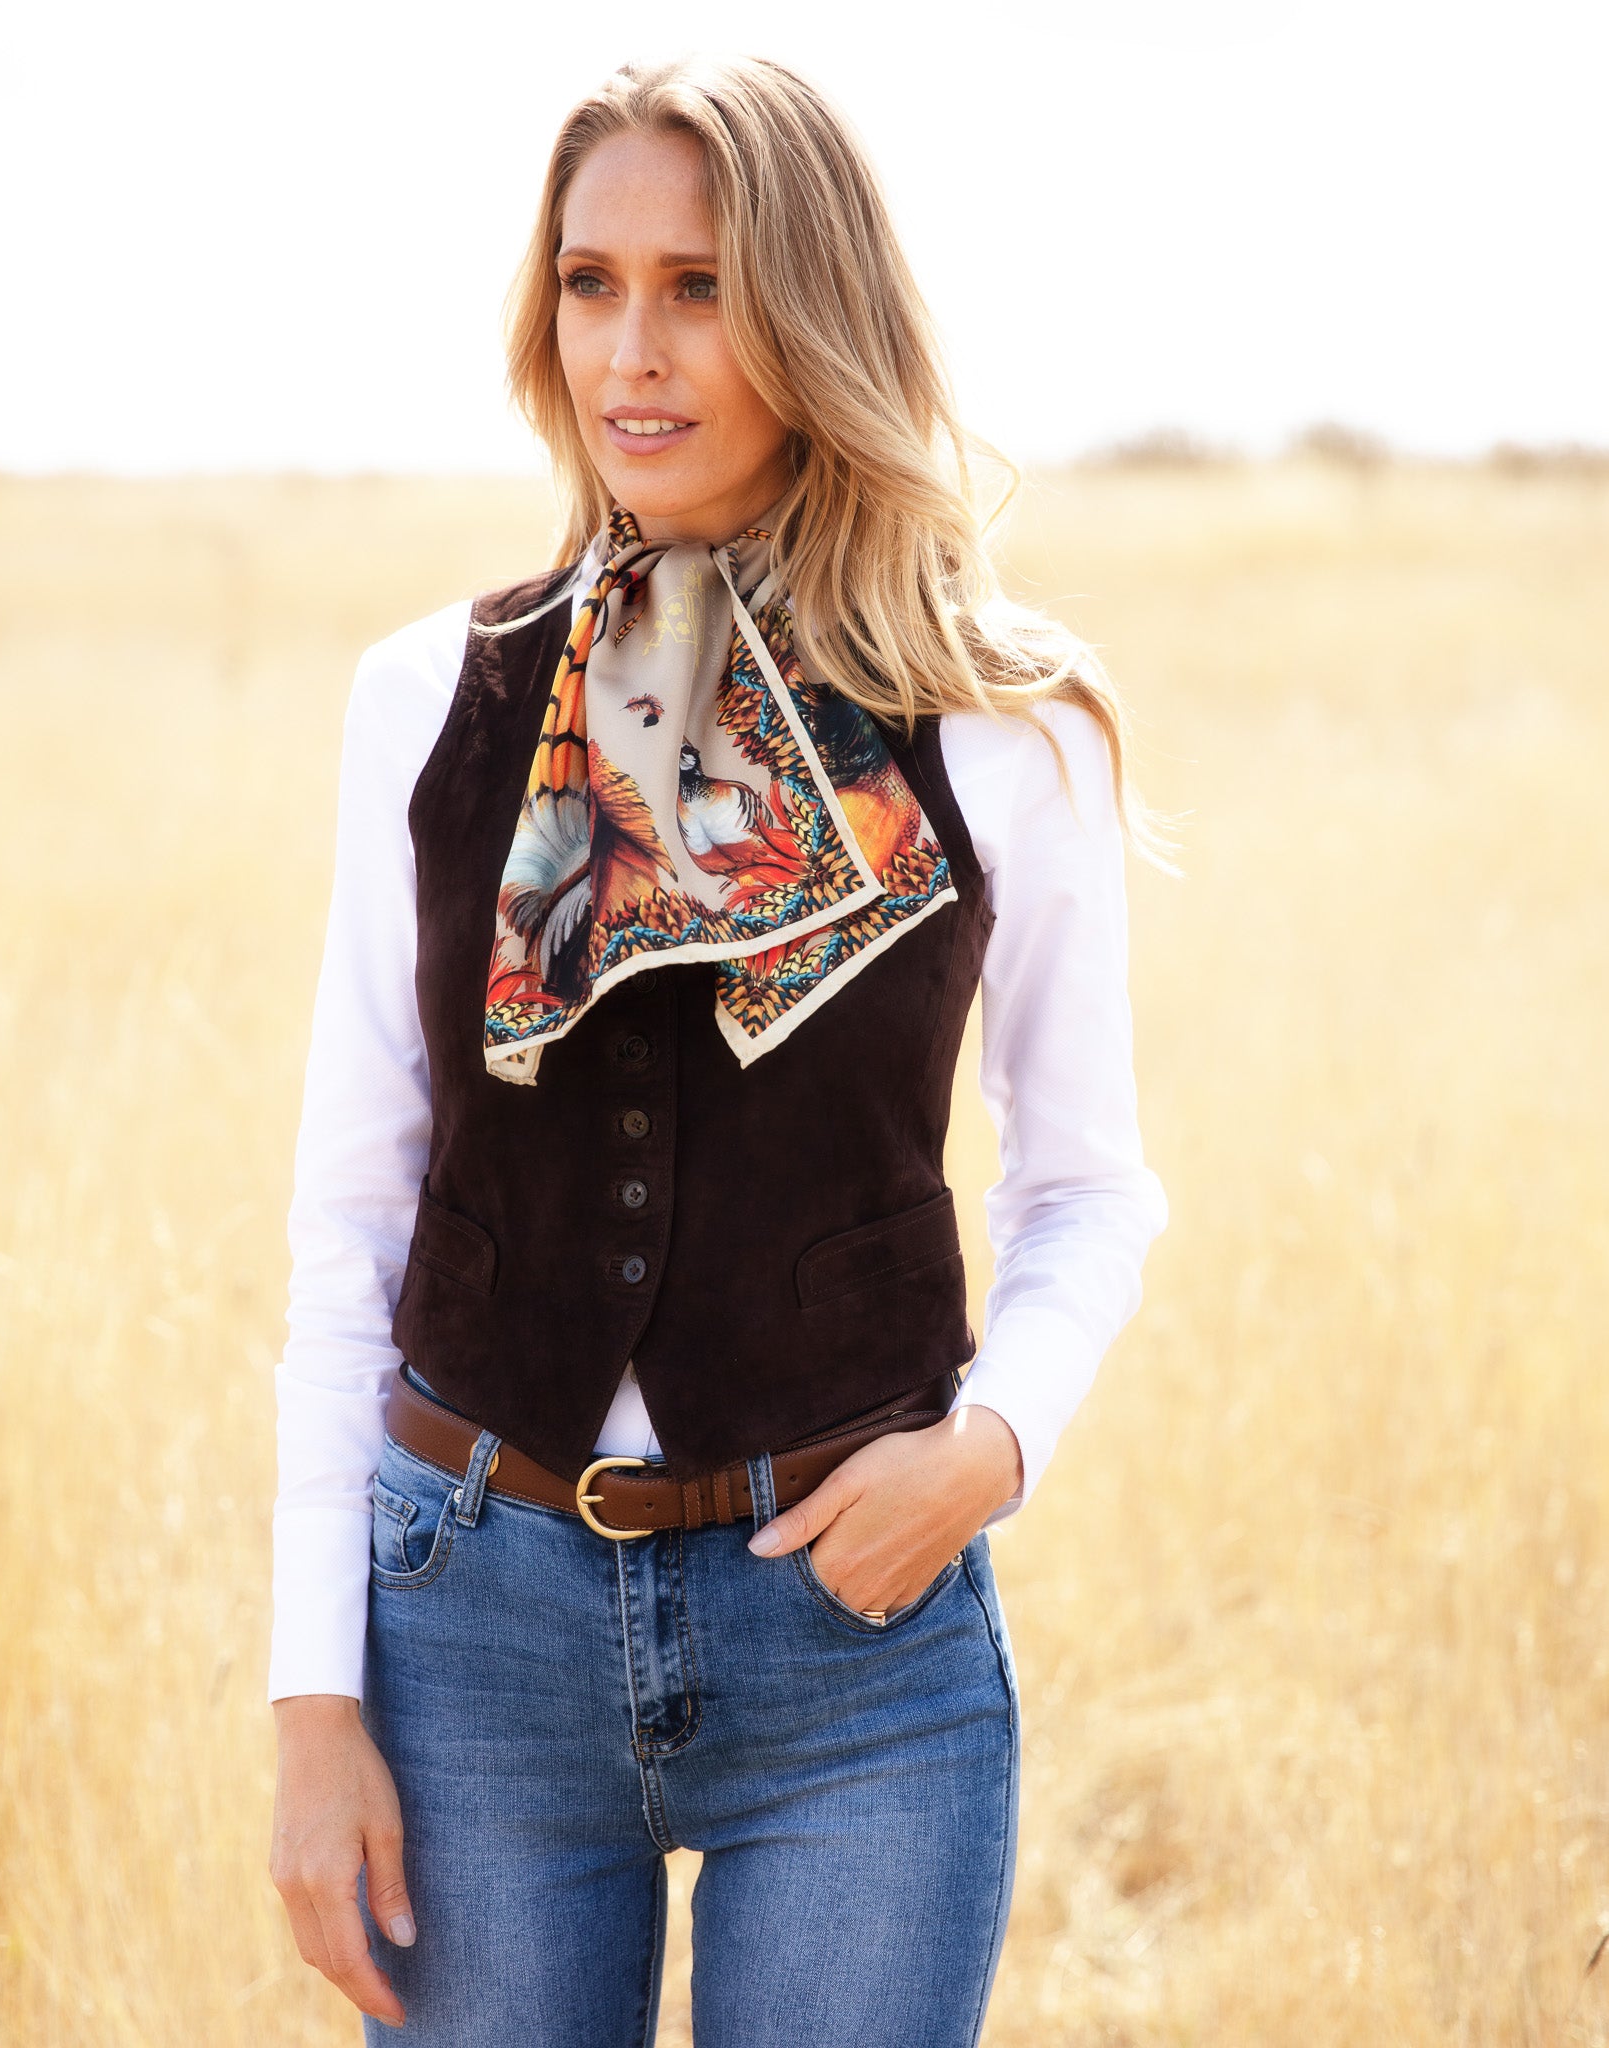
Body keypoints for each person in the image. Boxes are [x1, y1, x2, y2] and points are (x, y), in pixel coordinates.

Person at [266, 53, 1170, 2048]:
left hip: (854, 1648)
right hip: (473, 1621)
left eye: (699, 285)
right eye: (591, 285)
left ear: (812, 311)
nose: (633, 352)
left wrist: (989, 1450)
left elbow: (1089, 1182)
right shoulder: (429, 698)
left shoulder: (1006, 730)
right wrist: (308, 1698)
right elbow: (353, 1215)